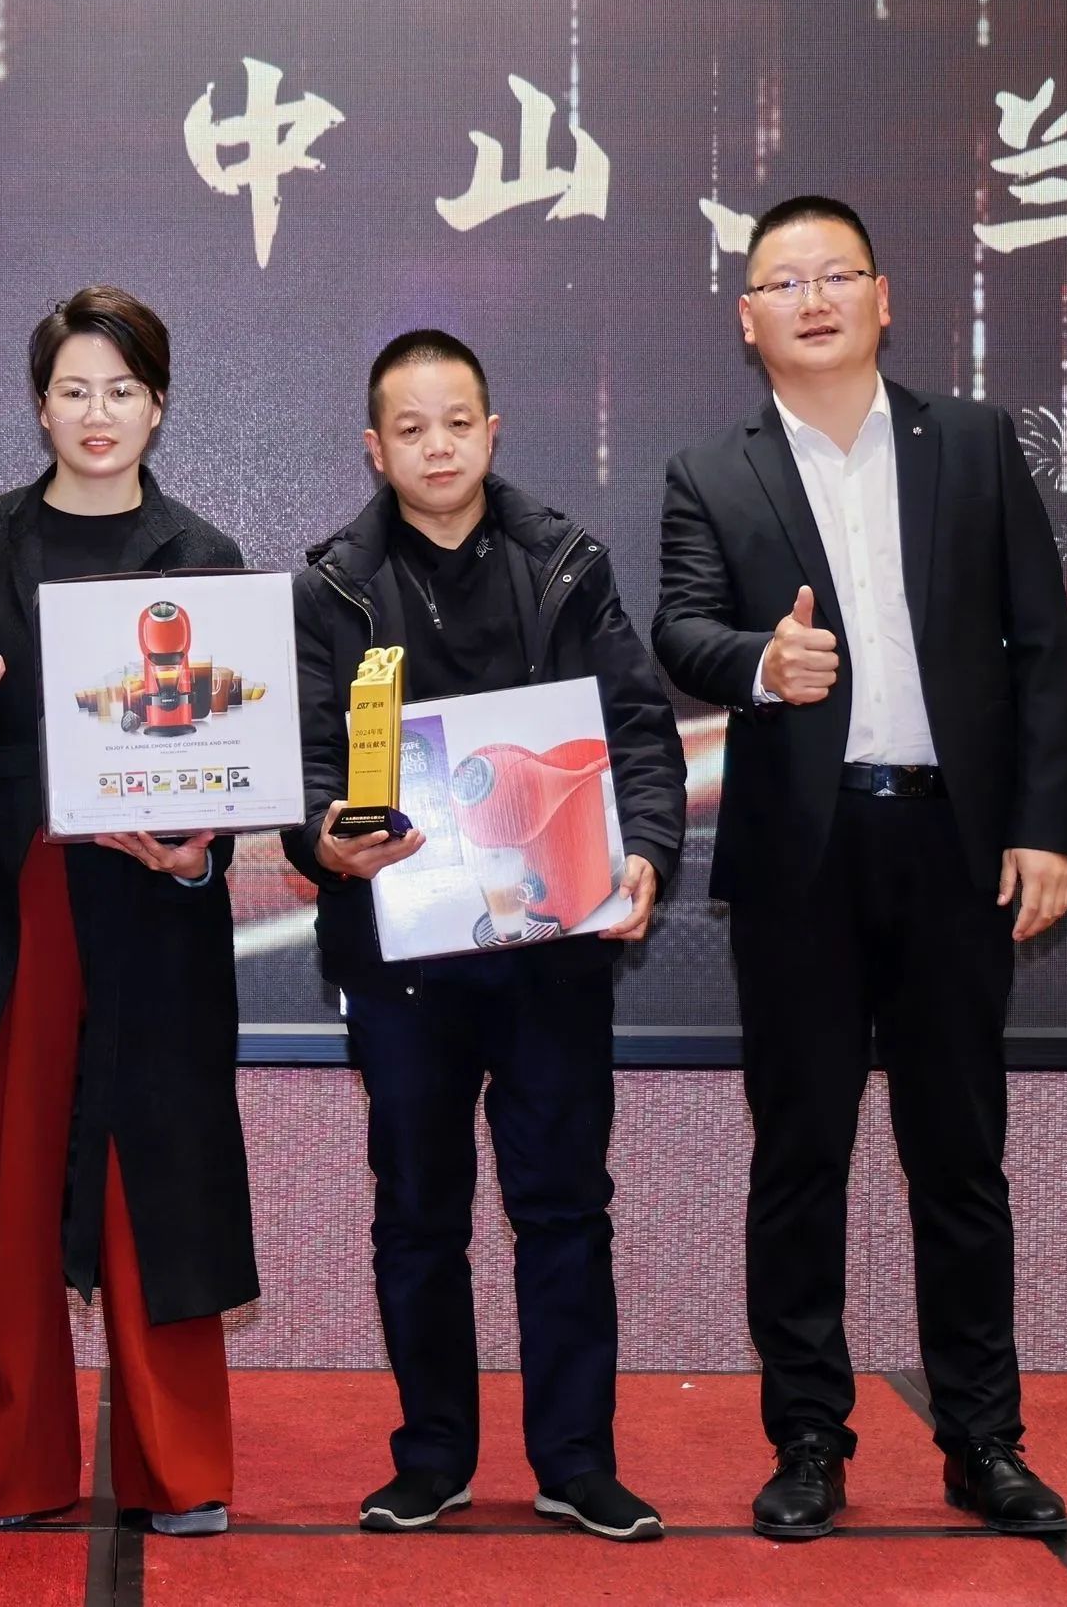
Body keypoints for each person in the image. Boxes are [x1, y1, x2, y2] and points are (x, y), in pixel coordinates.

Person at [653, 194, 1067, 1541]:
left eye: (836, 273)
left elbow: (1043, 648)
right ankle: (807, 1438)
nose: (814, 298)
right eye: (784, 282)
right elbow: (679, 629)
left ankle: (983, 1439)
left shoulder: (975, 442)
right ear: (748, 319)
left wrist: (1043, 826)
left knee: (961, 1158)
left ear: (884, 298)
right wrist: (759, 663)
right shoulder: (709, 472)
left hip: (954, 846)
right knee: (801, 1156)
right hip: (803, 858)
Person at [0, 287, 257, 1538]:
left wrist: (196, 845)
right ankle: (5, 1468)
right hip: (15, 884)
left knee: (156, 1176)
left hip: (152, 894)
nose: (98, 413)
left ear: (159, 405)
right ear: (39, 407)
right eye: (74, 390)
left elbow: (232, 754)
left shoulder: (204, 557)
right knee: (4, 1172)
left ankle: (177, 1466)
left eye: (121, 390)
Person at [279, 329, 687, 1543]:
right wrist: (321, 839)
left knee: (564, 1206)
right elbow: (302, 765)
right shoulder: (329, 589)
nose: (438, 446)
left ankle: (576, 1461)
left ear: (493, 431)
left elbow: (639, 729)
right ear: (375, 448)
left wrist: (647, 852)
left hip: (554, 948)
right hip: (402, 956)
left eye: (458, 422)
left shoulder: (567, 564)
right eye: (411, 429)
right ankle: (433, 1457)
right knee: (419, 1213)